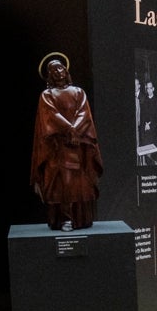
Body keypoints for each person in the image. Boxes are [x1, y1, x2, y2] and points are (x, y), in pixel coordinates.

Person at [31, 52, 103, 231]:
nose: (58, 71)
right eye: (53, 69)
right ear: (49, 75)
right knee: (63, 184)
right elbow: (51, 116)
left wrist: (75, 130)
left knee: (80, 183)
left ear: (66, 69)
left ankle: (81, 218)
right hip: (58, 147)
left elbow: (84, 114)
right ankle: (65, 219)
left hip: (78, 144)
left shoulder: (78, 92)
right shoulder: (47, 95)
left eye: (60, 67)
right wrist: (69, 129)